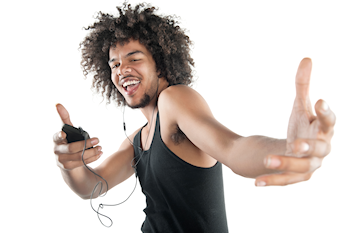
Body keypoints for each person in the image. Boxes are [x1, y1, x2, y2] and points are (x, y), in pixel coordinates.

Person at [53, 3, 336, 233]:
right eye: (114, 63)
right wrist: (69, 165)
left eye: (134, 58)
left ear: (160, 62)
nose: (121, 69)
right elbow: (92, 185)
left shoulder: (175, 100)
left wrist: (288, 148)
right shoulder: (137, 139)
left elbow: (233, 148)